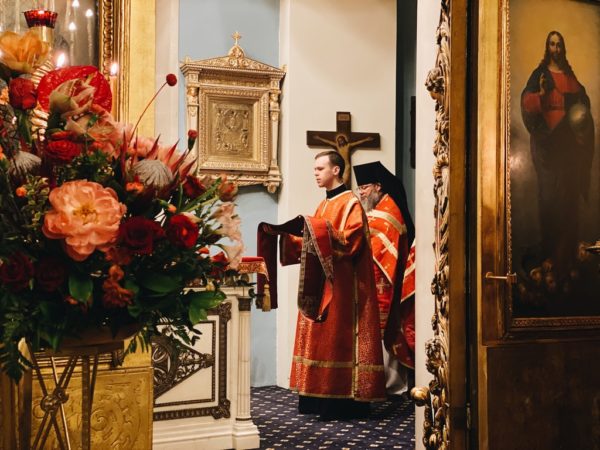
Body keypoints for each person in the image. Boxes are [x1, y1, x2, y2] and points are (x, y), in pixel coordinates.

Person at [276, 150, 386, 421]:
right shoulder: (324, 205)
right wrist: (286, 237)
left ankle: (341, 400)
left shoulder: (351, 203)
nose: (315, 173)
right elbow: (314, 239)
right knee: (318, 336)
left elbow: (350, 242)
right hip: (323, 283)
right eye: (315, 169)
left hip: (344, 289)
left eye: (320, 169)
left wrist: (318, 234)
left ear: (336, 170)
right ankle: (316, 397)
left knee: (336, 339)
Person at [521, 30, 595, 281]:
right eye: (552, 44)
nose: (556, 49)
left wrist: (581, 128)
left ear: (563, 48)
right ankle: (549, 255)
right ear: (547, 48)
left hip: (566, 151)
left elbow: (583, 108)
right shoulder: (539, 75)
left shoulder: (571, 78)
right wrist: (541, 96)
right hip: (546, 149)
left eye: (559, 44)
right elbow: (526, 102)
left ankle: (566, 258)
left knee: (568, 201)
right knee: (549, 199)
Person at [353, 161, 415, 396]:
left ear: (378, 187)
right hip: (381, 279)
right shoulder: (381, 208)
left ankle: (388, 383)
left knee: (386, 328)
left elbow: (375, 248)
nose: (361, 193)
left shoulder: (387, 212)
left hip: (385, 281)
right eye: (359, 188)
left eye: (365, 187)